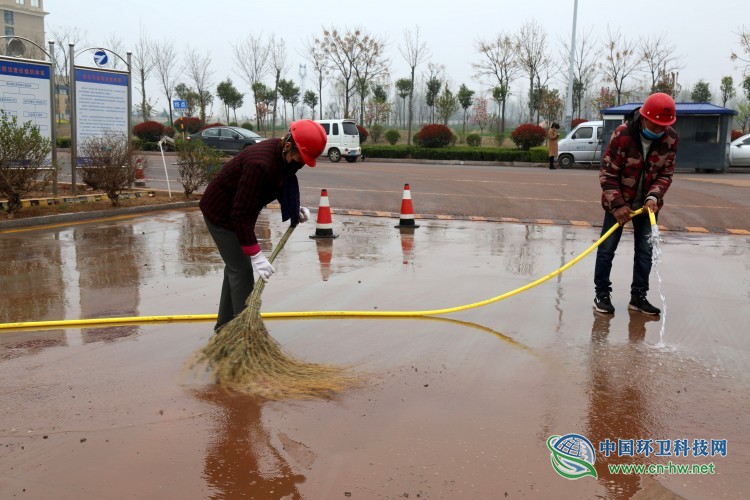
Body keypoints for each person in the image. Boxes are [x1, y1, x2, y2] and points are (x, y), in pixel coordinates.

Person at [199, 119, 327, 331]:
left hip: (238, 212)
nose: (300, 162)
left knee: (235, 268)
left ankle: (224, 326)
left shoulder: (287, 158)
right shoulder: (260, 164)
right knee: (242, 271)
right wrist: (257, 255)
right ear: (288, 144)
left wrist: (293, 207)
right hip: (221, 213)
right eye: (300, 156)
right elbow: (239, 215)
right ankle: (245, 332)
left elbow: (280, 183)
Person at [593, 92, 678, 316]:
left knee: (645, 251)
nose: (660, 130)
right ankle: (602, 294)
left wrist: (654, 197)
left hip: (647, 207)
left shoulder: (670, 139)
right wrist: (618, 205)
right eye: (656, 124)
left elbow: (666, 173)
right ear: (644, 117)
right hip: (618, 204)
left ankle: (638, 297)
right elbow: (607, 174)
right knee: (606, 250)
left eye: (664, 126)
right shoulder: (622, 135)